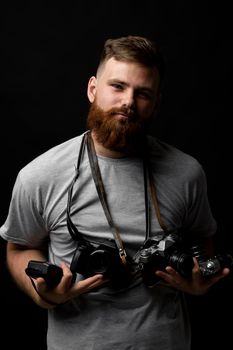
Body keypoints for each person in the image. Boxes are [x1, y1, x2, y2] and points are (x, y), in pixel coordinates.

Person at [0, 35, 230, 350]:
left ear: (157, 103)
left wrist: (198, 282)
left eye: (143, 93)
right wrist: (41, 293)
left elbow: (203, 237)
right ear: (93, 89)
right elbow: (19, 247)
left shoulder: (187, 173)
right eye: (117, 86)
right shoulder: (39, 175)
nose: (128, 102)